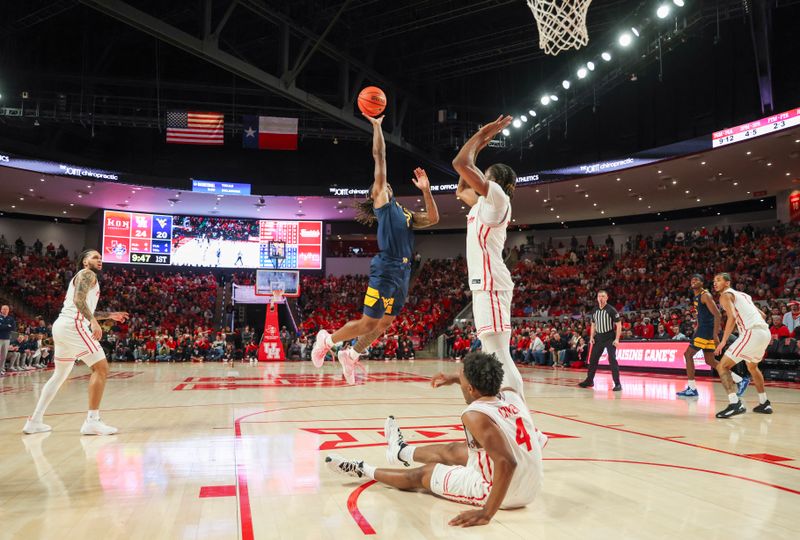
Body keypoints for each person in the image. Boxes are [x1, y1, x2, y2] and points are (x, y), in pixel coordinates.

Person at [325, 352, 544, 527]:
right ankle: (400, 451)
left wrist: (487, 513)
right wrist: (454, 378)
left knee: (425, 473)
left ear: (470, 388)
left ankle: (362, 469)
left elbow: (506, 462)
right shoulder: (510, 395)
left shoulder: (475, 415)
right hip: (531, 485)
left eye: (463, 377)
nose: (460, 379)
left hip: (506, 493)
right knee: (454, 450)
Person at [312, 114, 439, 383]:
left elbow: (434, 219)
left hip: (404, 271)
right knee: (369, 322)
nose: (387, 185)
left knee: (384, 323)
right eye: (383, 185)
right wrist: (378, 126)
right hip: (387, 266)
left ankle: (352, 354)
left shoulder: (404, 213)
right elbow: (380, 157)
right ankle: (327, 339)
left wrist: (426, 190)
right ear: (376, 193)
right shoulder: (382, 200)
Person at [452, 115, 525, 399]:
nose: (479, 176)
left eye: (485, 173)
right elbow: (461, 188)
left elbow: (460, 164)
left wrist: (481, 133)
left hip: (492, 285)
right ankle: (511, 412)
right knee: (494, 352)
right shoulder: (484, 202)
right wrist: (479, 145)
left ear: (494, 181)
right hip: (486, 285)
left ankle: (520, 415)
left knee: (498, 354)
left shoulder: (498, 199)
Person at [22, 249, 129, 435]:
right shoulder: (87, 274)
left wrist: (110, 315)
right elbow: (79, 301)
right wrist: (94, 323)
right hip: (73, 326)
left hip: (62, 326)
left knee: (59, 376)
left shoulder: (85, 277)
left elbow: (82, 306)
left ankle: (35, 421)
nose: (100, 260)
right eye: (95, 257)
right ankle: (92, 421)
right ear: (85, 262)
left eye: (101, 257)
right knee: (101, 368)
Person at [712, 273, 773, 418]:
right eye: (714, 281)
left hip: (751, 333)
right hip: (765, 332)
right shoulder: (744, 295)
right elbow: (763, 316)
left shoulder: (725, 295)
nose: (715, 283)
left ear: (727, 283)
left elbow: (732, 317)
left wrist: (724, 341)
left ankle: (735, 404)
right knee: (752, 367)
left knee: (722, 366)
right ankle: (764, 403)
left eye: (718, 280)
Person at [677, 274, 748, 398]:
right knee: (709, 360)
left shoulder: (705, 295)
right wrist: (697, 328)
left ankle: (692, 388)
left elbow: (717, 314)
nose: (693, 281)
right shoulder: (697, 297)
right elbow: (703, 316)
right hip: (703, 329)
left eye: (697, 279)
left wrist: (715, 334)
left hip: (706, 330)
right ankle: (739, 380)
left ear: (702, 283)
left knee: (688, 355)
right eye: (692, 279)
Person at [579, 290, 623, 391]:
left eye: (603, 296)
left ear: (607, 298)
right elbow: (593, 324)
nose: (601, 298)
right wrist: (591, 337)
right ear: (597, 298)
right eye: (599, 296)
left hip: (609, 337)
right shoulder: (594, 310)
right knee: (593, 360)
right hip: (598, 337)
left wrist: (617, 339)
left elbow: (619, 324)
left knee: (612, 360)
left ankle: (617, 384)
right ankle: (589, 380)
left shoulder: (611, 310)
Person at [0, 304, 17, 376]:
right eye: (4, 309)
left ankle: (1, 369)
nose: (5, 310)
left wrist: (4, 326)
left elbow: (13, 328)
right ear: (1, 310)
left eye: (7, 309)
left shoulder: (11, 319)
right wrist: (7, 326)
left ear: (8, 311)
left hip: (7, 339)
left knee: (4, 356)